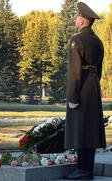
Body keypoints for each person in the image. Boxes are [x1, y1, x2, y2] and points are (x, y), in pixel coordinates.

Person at [64, 2, 106, 180]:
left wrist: (73, 97)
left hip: (81, 88)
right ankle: (87, 168)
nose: (75, 20)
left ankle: (83, 170)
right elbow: (99, 68)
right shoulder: (98, 41)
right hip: (93, 86)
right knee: (90, 129)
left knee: (81, 128)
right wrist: (94, 84)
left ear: (82, 21)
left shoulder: (77, 40)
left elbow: (75, 72)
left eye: (77, 17)